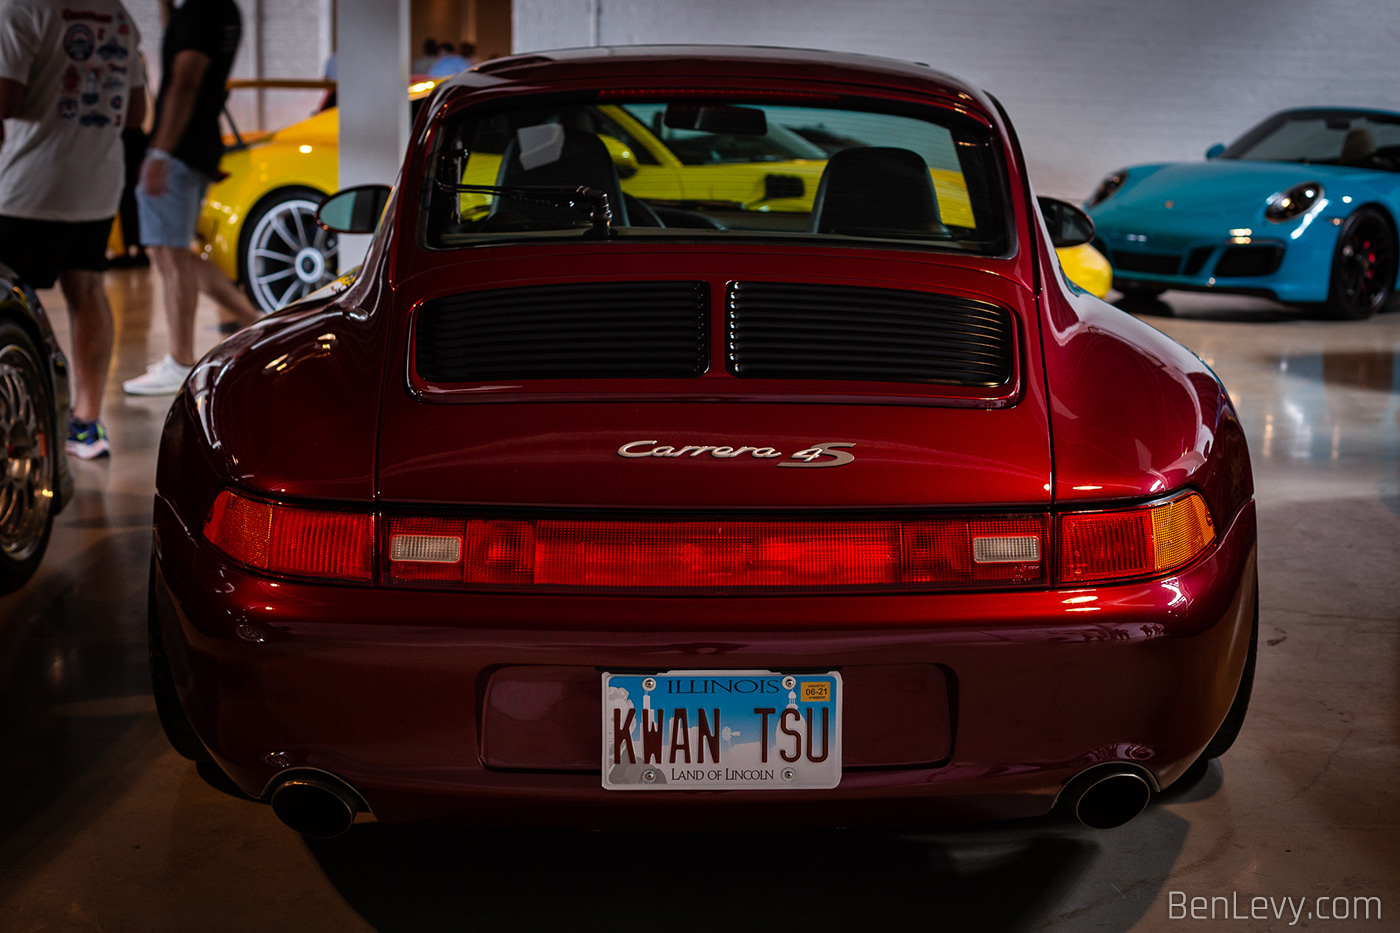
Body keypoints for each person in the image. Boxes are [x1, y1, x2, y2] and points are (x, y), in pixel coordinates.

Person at [0, 0, 145, 459]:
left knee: (8, 296)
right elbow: (138, 113)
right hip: (98, 182)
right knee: (86, 290)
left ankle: (31, 403)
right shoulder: (119, 15)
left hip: (31, 186)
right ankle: (85, 423)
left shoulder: (22, 9)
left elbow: (5, 99)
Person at [123, 0, 260, 397]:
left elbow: (184, 82)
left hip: (179, 149)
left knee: (168, 253)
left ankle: (181, 360)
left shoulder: (200, 14)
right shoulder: (220, 11)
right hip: (196, 144)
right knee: (175, 253)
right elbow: (177, 41)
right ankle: (254, 321)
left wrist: (160, 152)